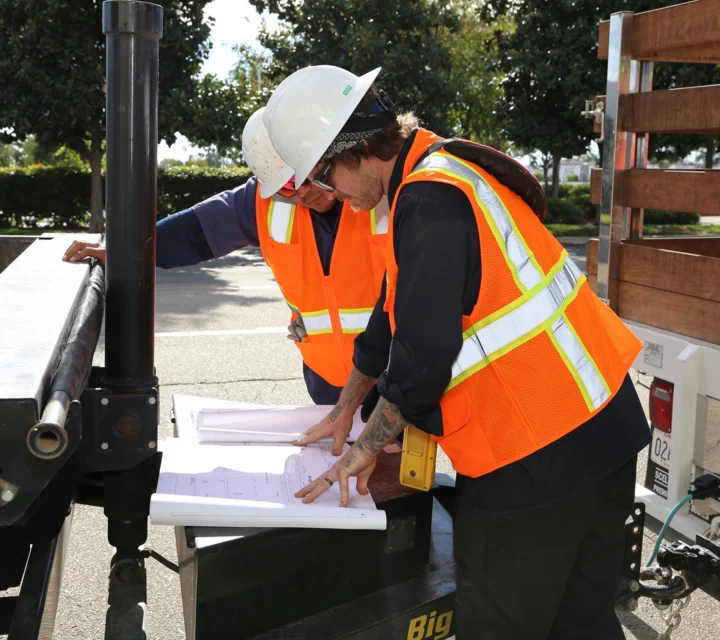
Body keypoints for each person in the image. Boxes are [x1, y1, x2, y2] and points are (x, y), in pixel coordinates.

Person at [260, 64, 651, 640]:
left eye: (324, 173)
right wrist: (345, 408)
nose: (329, 193)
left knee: (497, 626)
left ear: (357, 149)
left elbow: (421, 359)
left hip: (533, 464)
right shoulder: (442, 172)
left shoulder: (428, 199)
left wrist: (366, 447)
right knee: (582, 622)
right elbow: (386, 325)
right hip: (604, 433)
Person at [63, 107, 388, 422]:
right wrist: (126, 249)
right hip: (328, 395)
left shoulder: (380, 190)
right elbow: (197, 230)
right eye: (286, 186)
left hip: (395, 392)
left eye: (308, 177)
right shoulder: (264, 201)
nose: (303, 194)